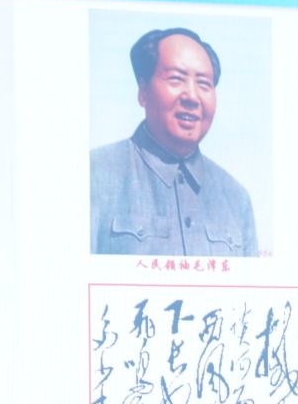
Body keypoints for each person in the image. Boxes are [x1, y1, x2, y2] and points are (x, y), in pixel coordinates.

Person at [90, 27, 259, 258]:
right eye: (176, 79)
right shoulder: (94, 174)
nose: (192, 97)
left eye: (204, 84)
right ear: (143, 91)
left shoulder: (237, 199)